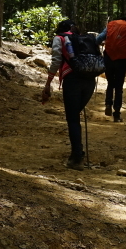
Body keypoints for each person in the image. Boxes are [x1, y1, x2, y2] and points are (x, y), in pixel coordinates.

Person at [41, 19, 96, 170]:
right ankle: (77, 153)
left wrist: (48, 82)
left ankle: (77, 157)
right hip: (90, 81)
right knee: (75, 115)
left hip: (72, 80)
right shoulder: (83, 38)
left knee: (72, 119)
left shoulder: (59, 38)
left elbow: (56, 60)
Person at [96, 16, 126, 122]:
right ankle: (116, 114)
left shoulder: (111, 26)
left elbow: (98, 39)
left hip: (108, 58)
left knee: (110, 83)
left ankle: (108, 104)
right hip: (121, 61)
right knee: (119, 88)